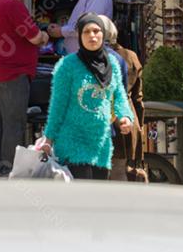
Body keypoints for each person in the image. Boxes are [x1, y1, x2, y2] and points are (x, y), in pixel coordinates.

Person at [40, 13, 134, 179]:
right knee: (81, 196)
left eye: (96, 31)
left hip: (101, 143)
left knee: (97, 198)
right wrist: (49, 139)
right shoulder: (67, 66)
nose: (92, 35)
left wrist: (125, 117)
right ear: (80, 36)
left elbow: (119, 96)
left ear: (103, 35)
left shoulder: (112, 64)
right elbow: (58, 106)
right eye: (87, 32)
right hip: (72, 140)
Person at [0, 0, 49, 176]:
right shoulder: (13, 6)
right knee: (13, 123)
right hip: (12, 73)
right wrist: (45, 36)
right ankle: (9, 168)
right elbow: (35, 37)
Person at [103, 18, 145, 181]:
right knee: (120, 172)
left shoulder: (97, 58)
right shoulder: (131, 56)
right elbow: (138, 97)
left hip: (110, 121)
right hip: (128, 119)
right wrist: (139, 125)